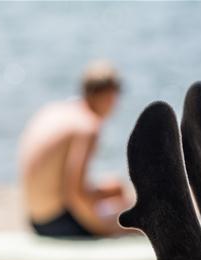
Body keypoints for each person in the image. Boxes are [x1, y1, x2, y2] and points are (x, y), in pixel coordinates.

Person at [19, 60, 130, 238]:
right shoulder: (88, 126)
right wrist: (105, 230)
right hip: (56, 223)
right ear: (109, 95)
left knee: (115, 188)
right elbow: (75, 193)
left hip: (34, 218)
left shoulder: (54, 110)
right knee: (129, 219)